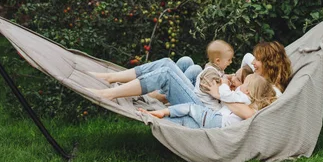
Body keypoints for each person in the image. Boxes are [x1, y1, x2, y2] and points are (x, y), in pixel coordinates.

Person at [87, 40, 234, 108]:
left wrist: (226, 87)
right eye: (229, 60)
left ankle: (109, 94)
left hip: (203, 108)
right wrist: (230, 79)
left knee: (166, 72)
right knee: (182, 62)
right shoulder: (229, 73)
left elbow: (224, 96)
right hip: (204, 97)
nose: (232, 63)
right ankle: (111, 77)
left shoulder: (252, 89)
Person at [139, 74, 276, 129]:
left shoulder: (243, 97)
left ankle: (162, 112)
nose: (239, 84)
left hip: (215, 120)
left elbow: (224, 95)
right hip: (215, 123)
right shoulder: (247, 101)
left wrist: (223, 84)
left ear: (248, 91)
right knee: (185, 121)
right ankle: (156, 119)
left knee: (190, 107)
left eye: (244, 83)